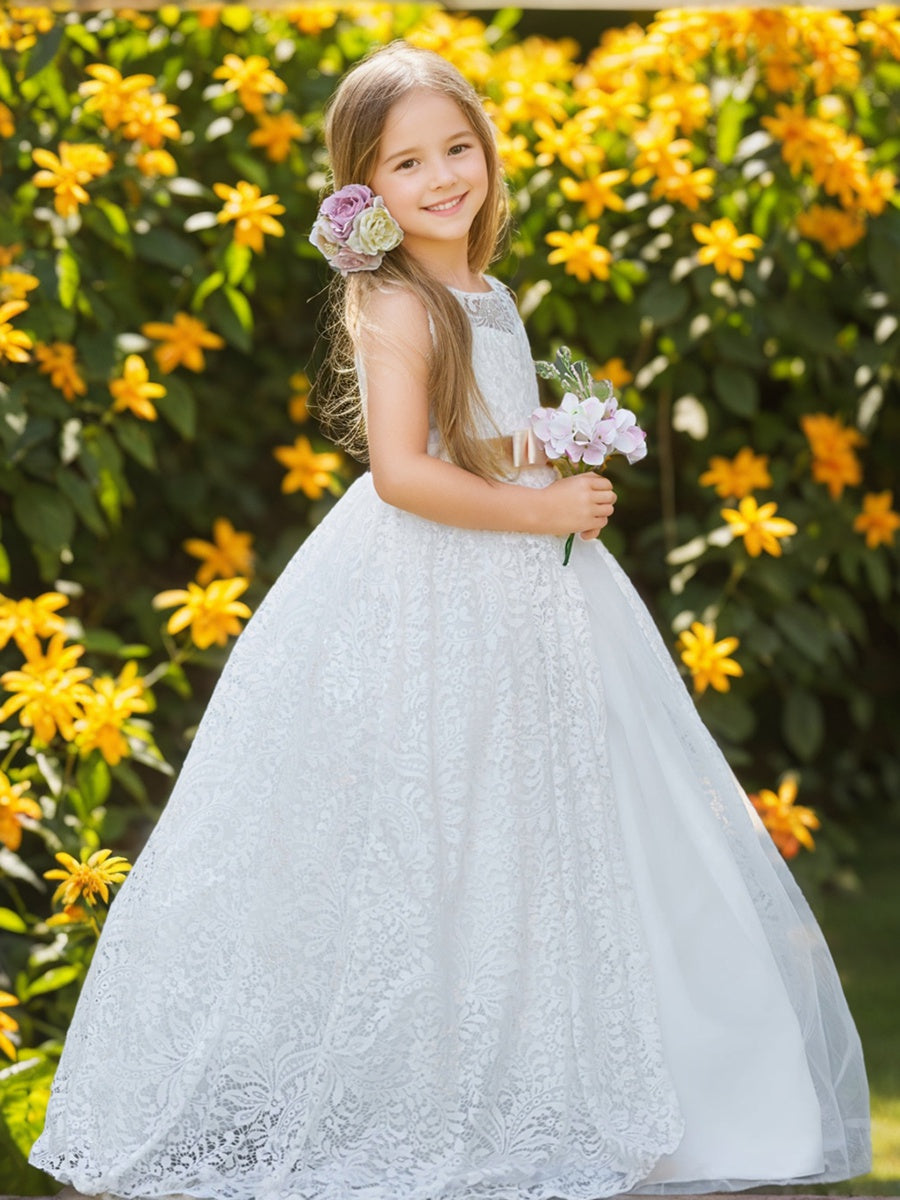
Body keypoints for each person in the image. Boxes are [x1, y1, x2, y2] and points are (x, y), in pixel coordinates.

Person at [31, 41, 870, 1200]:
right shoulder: (394, 302)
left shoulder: (488, 292)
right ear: (365, 188)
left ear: (488, 152)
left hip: (531, 596)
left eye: (458, 149)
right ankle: (437, 1085)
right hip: (433, 589)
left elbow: (468, 433)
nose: (442, 178)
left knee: (551, 825)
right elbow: (400, 473)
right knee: (438, 822)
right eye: (408, 162)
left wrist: (551, 442)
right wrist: (540, 514)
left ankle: (580, 1069)